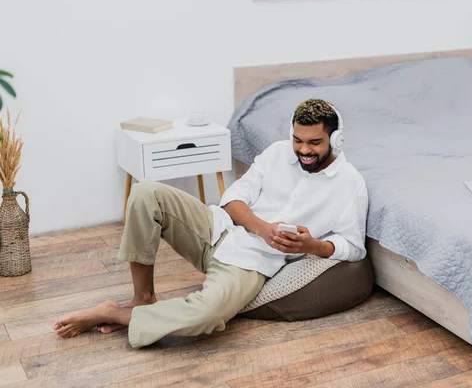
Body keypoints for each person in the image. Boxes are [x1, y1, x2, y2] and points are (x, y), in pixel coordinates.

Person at [52, 98, 369, 348]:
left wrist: (311, 245)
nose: (303, 150)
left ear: (336, 140)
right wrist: (262, 227)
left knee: (208, 314)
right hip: (215, 228)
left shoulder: (349, 185)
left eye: (314, 142)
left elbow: (353, 247)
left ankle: (120, 314)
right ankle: (142, 297)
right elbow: (231, 200)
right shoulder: (276, 153)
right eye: (298, 140)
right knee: (146, 191)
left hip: (252, 264)